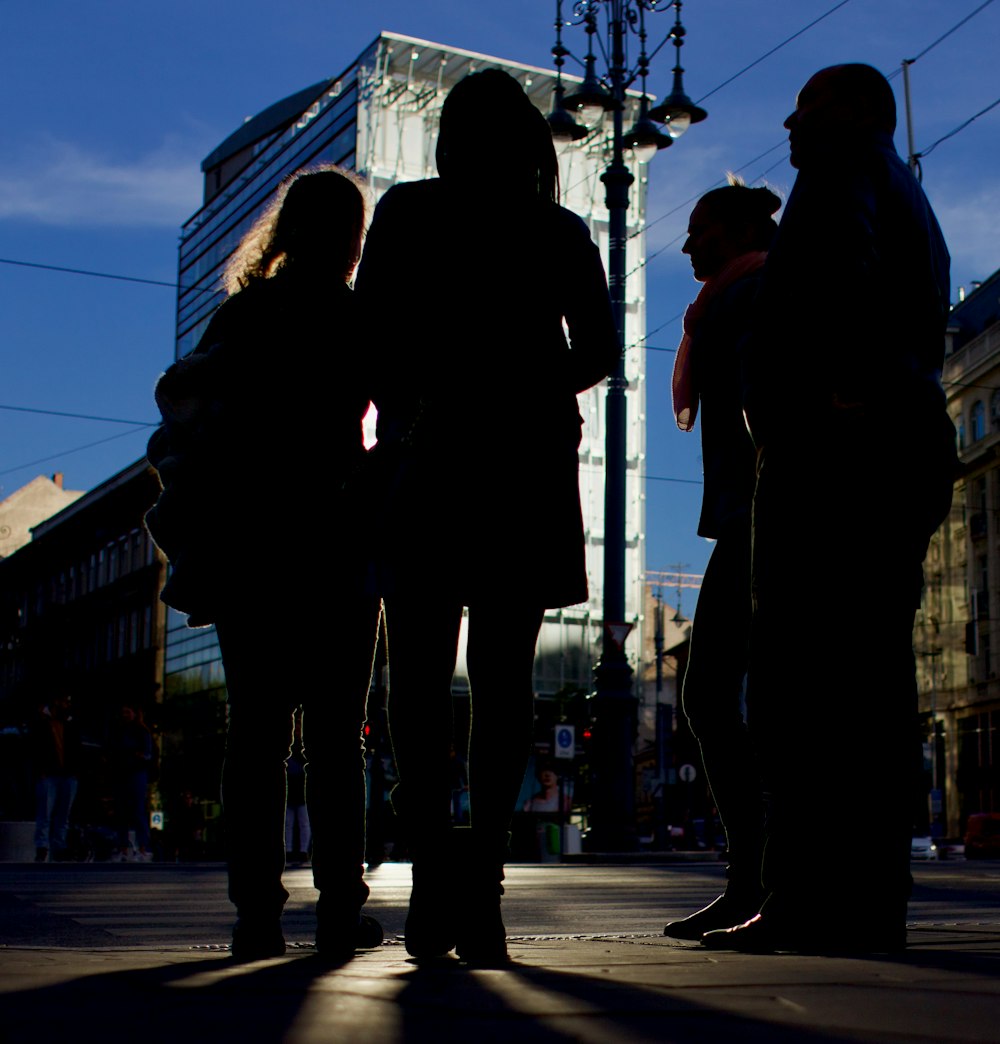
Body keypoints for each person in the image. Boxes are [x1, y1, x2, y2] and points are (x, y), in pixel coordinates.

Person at [355, 69, 618, 965]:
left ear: (449, 137)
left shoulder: (407, 215)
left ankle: (431, 885)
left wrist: (408, 400)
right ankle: (486, 898)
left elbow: (368, 333)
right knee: (507, 684)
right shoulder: (557, 230)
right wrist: (526, 385)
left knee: (418, 683)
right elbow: (600, 350)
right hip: (526, 464)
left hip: (427, 458)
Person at [702, 64, 957, 953]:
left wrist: (821, 396)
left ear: (852, 109)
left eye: (806, 102)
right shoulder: (908, 192)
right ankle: (872, 896)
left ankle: (803, 894)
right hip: (902, 442)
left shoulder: (842, 168)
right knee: (872, 682)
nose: (791, 118)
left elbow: (834, 284)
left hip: (836, 453)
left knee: (794, 682)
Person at [146, 166, 383, 961]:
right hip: (338, 540)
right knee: (336, 739)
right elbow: (402, 417)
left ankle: (255, 913)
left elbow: (181, 405)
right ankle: (341, 910)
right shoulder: (359, 318)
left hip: (250, 543)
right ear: (353, 241)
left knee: (255, 735)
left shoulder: (243, 317)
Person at [661, 179, 780, 940]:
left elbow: (770, 401)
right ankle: (758, 878)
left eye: (700, 229)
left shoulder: (752, 291)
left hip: (767, 517)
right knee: (733, 698)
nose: (687, 244)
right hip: (757, 516)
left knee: (714, 696)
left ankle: (759, 879)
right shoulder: (727, 300)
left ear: (737, 230)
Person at [31, 691, 82, 862]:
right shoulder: (41, 721)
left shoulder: (70, 722)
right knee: (45, 813)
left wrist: (75, 771)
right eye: (64, 702)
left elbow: (77, 747)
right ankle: (42, 847)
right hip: (48, 774)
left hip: (68, 774)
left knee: (62, 814)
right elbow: (33, 747)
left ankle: (58, 846)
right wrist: (40, 770)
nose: (67, 705)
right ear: (55, 702)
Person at [111, 703, 153, 862]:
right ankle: (123, 848)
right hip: (122, 775)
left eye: (127, 712)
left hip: (136, 775)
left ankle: (142, 849)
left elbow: (147, 755)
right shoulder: (118, 731)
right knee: (121, 812)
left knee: (137, 811)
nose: (124, 715)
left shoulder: (142, 731)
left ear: (135, 713)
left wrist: (135, 756)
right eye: (123, 712)